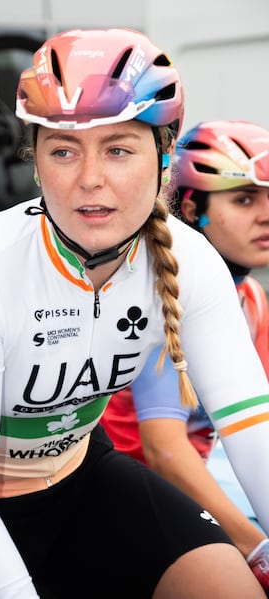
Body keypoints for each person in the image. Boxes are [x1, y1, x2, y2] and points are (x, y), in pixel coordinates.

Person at [0, 28, 269, 599]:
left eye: (118, 149)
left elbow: (252, 429)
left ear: (163, 159)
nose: (90, 178)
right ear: (34, 163)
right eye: (63, 149)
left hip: (79, 478)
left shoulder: (190, 263)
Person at [100, 118, 269, 567]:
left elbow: (255, 423)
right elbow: (165, 451)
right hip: (131, 506)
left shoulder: (250, 296)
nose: (267, 213)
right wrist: (257, 549)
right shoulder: (157, 294)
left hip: (193, 496)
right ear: (191, 210)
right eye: (245, 198)